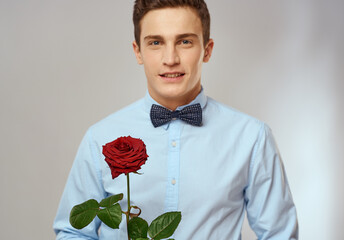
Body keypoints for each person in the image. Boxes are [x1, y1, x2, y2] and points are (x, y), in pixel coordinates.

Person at [53, 0, 299, 239]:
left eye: (185, 41)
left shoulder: (252, 138)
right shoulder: (99, 138)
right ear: (138, 52)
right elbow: (72, 232)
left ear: (207, 50)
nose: (170, 58)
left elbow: (280, 234)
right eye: (156, 42)